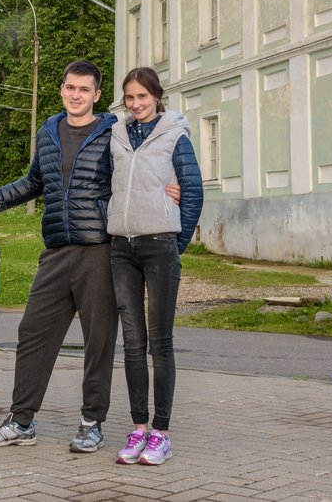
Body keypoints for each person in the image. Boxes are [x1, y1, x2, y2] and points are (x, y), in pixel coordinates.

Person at [0, 59, 178, 453]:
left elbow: (146, 163)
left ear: (97, 95)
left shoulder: (113, 132)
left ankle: (91, 423)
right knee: (33, 333)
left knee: (98, 340)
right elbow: (34, 181)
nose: (76, 95)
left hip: (100, 251)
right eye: (70, 87)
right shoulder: (48, 131)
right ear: (62, 89)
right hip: (55, 250)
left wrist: (175, 187)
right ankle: (21, 421)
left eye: (84, 89)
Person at [107, 67, 203, 466]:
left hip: (160, 246)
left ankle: (161, 433)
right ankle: (138, 429)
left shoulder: (174, 135)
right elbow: (104, 184)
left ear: (157, 97)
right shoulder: (116, 135)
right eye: (129, 98)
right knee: (132, 344)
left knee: (160, 344)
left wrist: (174, 242)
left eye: (142, 97)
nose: (135, 105)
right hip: (121, 249)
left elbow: (193, 190)